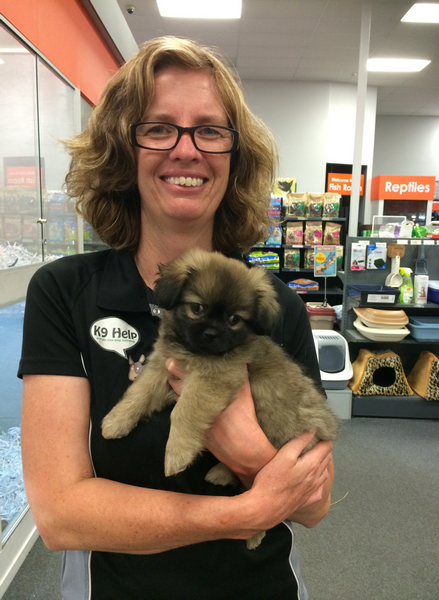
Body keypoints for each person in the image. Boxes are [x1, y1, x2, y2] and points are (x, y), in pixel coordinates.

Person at [19, 36, 334, 600]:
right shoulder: (65, 292)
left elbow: (315, 505)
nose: (186, 150)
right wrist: (245, 513)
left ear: (235, 157)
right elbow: (60, 515)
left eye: (210, 131)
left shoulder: (273, 304)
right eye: (160, 128)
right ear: (123, 149)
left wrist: (248, 452)